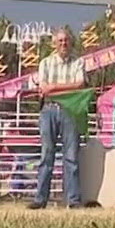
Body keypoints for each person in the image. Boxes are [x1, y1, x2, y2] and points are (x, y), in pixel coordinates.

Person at [29, 28, 87, 210]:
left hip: (70, 111)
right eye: (60, 41)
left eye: (66, 40)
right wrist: (64, 88)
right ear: (54, 44)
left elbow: (80, 84)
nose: (64, 44)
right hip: (49, 110)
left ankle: (73, 200)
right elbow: (44, 88)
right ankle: (40, 199)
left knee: (71, 157)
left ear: (71, 43)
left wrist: (54, 87)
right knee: (47, 155)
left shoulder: (79, 62)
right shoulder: (45, 63)